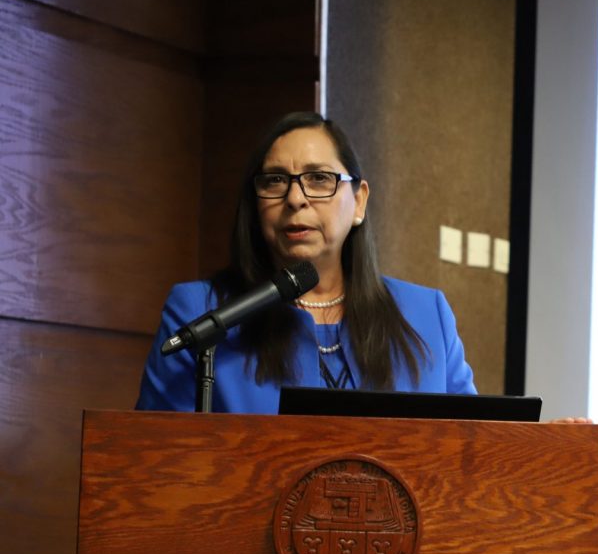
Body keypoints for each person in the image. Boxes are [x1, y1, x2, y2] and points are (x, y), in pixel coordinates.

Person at [136, 111, 476, 413]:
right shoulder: (200, 311)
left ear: (359, 201)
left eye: (319, 178)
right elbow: (157, 453)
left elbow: (476, 447)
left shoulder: (427, 316)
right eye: (275, 180)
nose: (295, 198)